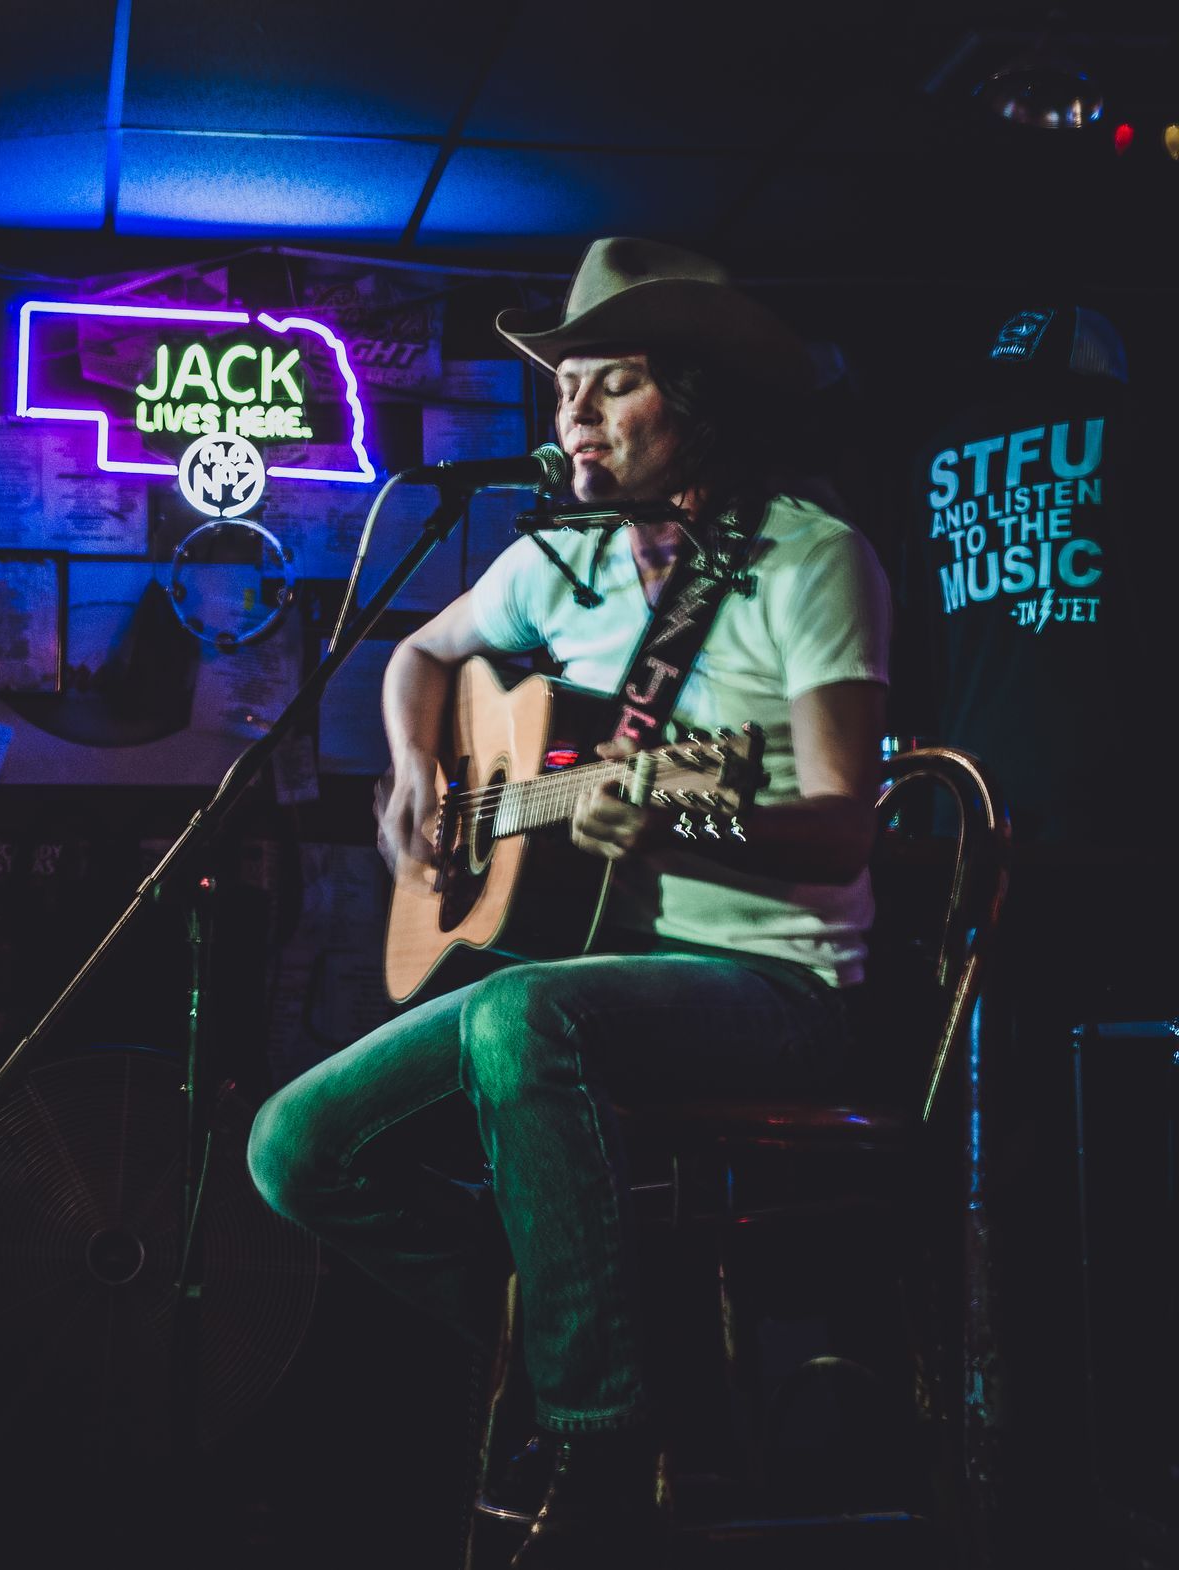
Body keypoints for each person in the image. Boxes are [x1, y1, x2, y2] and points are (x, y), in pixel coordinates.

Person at [247, 238, 890, 1565]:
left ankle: (598, 1438)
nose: (570, 417)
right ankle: (585, 1310)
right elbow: (421, 655)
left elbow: (838, 827)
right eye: (564, 391)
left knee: (519, 1020)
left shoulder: (810, 562)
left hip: (778, 989)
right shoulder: (564, 565)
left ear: (699, 403)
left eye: (610, 387)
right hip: (599, 979)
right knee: (294, 1144)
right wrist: (421, 777)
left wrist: (679, 810)